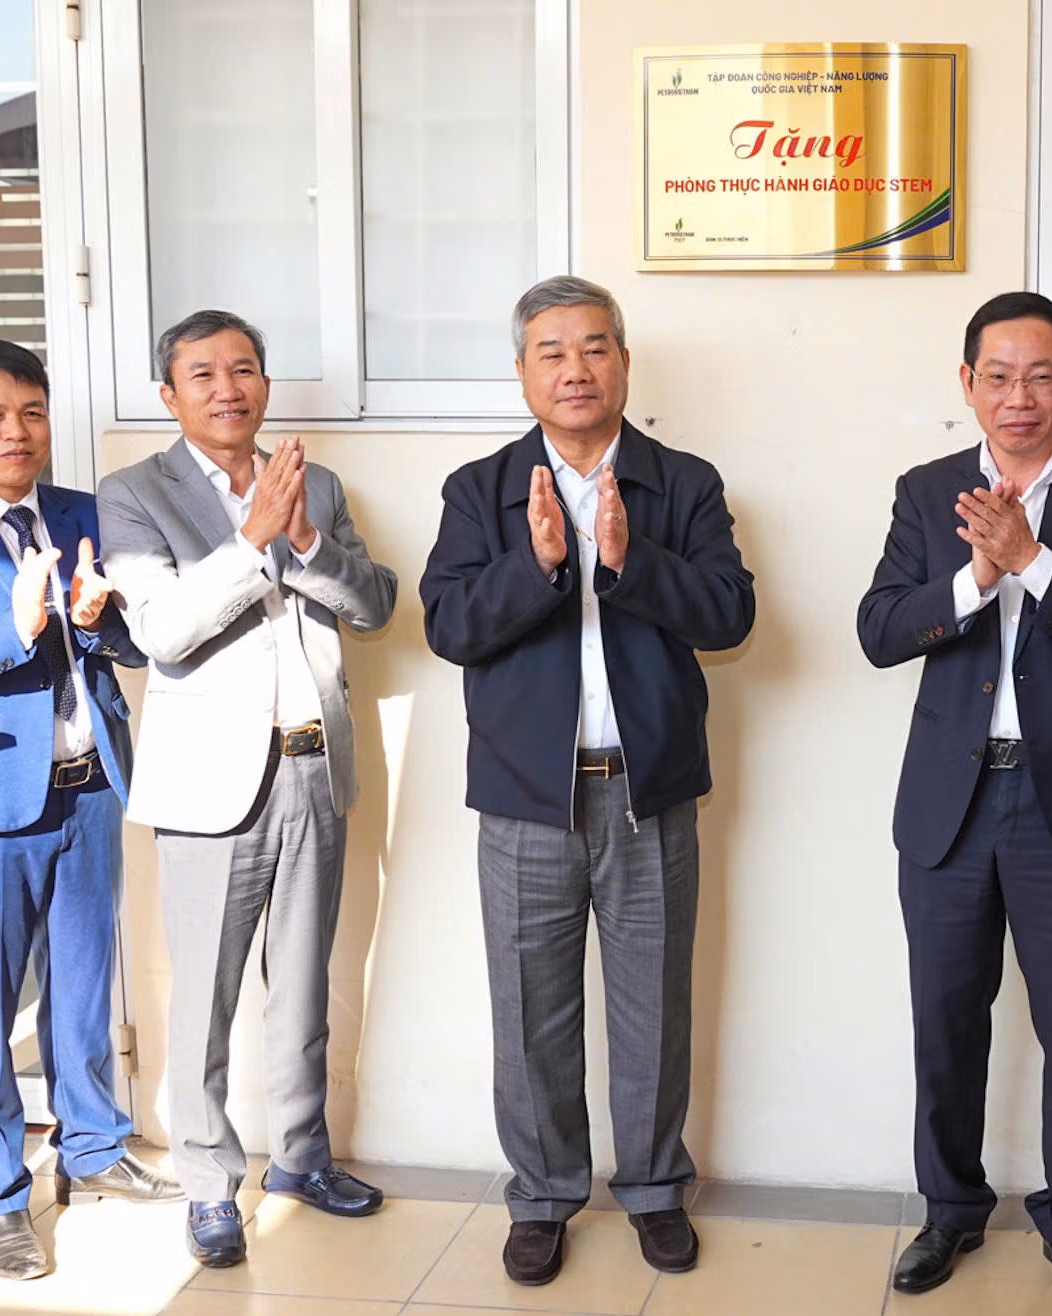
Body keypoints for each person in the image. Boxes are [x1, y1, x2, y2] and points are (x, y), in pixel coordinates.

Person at [420, 276, 754, 1288]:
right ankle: (541, 1196)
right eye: (553, 351)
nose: (576, 369)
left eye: (595, 347)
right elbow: (449, 627)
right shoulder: (478, 489)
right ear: (523, 371)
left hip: (649, 793)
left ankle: (652, 1188)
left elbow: (728, 615)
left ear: (624, 362)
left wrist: (627, 558)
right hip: (527, 796)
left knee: (653, 1006)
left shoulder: (683, 483)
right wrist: (535, 566)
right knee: (531, 1013)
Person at [857, 291, 1052, 1313]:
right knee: (944, 1020)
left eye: (1039, 376)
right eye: (997, 376)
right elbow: (879, 629)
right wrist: (972, 579)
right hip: (950, 801)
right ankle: (949, 1209)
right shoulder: (925, 491)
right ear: (967, 384)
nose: (1018, 396)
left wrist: (1032, 561)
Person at [96, 310, 399, 1268]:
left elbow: (375, 606)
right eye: (204, 374)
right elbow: (162, 633)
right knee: (207, 996)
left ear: (265, 382)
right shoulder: (133, 492)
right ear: (169, 394)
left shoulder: (321, 484)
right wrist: (252, 540)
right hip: (208, 788)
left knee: (303, 984)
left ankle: (302, 1159)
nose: (227, 389)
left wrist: (306, 541)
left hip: (315, 765)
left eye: (243, 369)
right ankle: (208, 1184)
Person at [0, 339, 180, 1280]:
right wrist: (14, 630)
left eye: (32, 413)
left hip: (88, 787)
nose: (16, 432)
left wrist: (98, 622)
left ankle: (91, 1147)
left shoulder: (86, 513)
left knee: (85, 985)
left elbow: (137, 643)